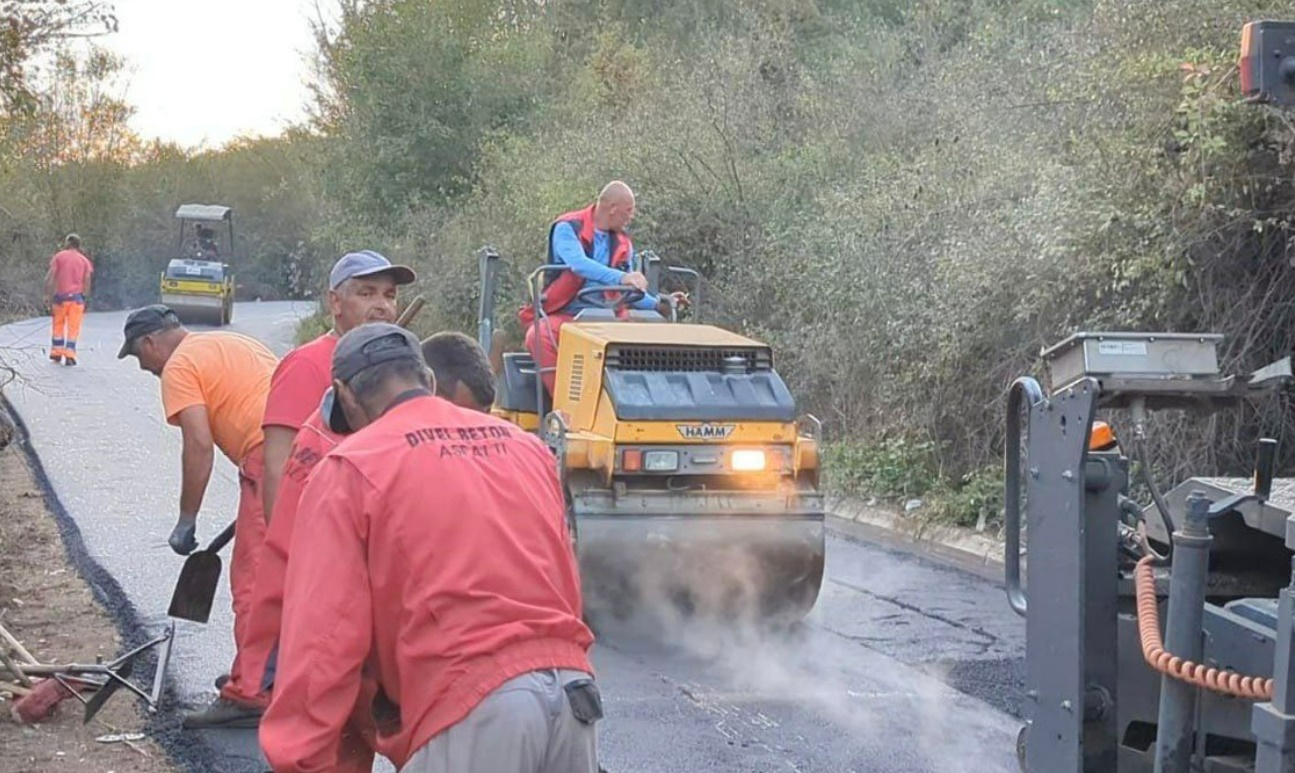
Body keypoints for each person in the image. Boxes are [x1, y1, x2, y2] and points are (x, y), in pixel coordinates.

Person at [259, 323, 599, 773]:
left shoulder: (351, 467)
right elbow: (564, 583)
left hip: (471, 710)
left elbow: (323, 641)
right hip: (574, 700)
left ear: (343, 395)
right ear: (429, 381)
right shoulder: (527, 449)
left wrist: (302, 758)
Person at [243, 330, 497, 772]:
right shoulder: (340, 460)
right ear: (431, 386)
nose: (460, 432)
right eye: (460, 415)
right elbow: (318, 616)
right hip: (338, 658)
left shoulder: (374, 452)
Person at [117, 304, 278, 728]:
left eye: (138, 356)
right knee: (291, 575)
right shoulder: (230, 342)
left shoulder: (179, 366)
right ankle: (270, 675)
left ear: (150, 343)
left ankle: (252, 694)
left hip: (271, 457)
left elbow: (199, 444)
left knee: (255, 582)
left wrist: (187, 518)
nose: (143, 368)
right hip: (309, 450)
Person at [518, 180, 686, 395]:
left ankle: (646, 400)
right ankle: (565, 406)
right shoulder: (567, 228)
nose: (631, 217)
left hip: (611, 319)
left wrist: (659, 304)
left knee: (654, 336)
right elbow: (578, 264)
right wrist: (623, 277)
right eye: (628, 211)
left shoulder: (624, 242)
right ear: (612, 208)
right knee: (538, 335)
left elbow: (629, 292)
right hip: (569, 316)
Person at [44, 234, 94, 366]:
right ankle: (70, 354)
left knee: (58, 325)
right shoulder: (84, 260)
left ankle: (56, 352)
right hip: (76, 299)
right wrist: (85, 296)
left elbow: (50, 277)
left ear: (69, 243)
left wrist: (48, 296)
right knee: (73, 328)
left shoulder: (59, 257)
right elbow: (87, 280)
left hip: (60, 298)